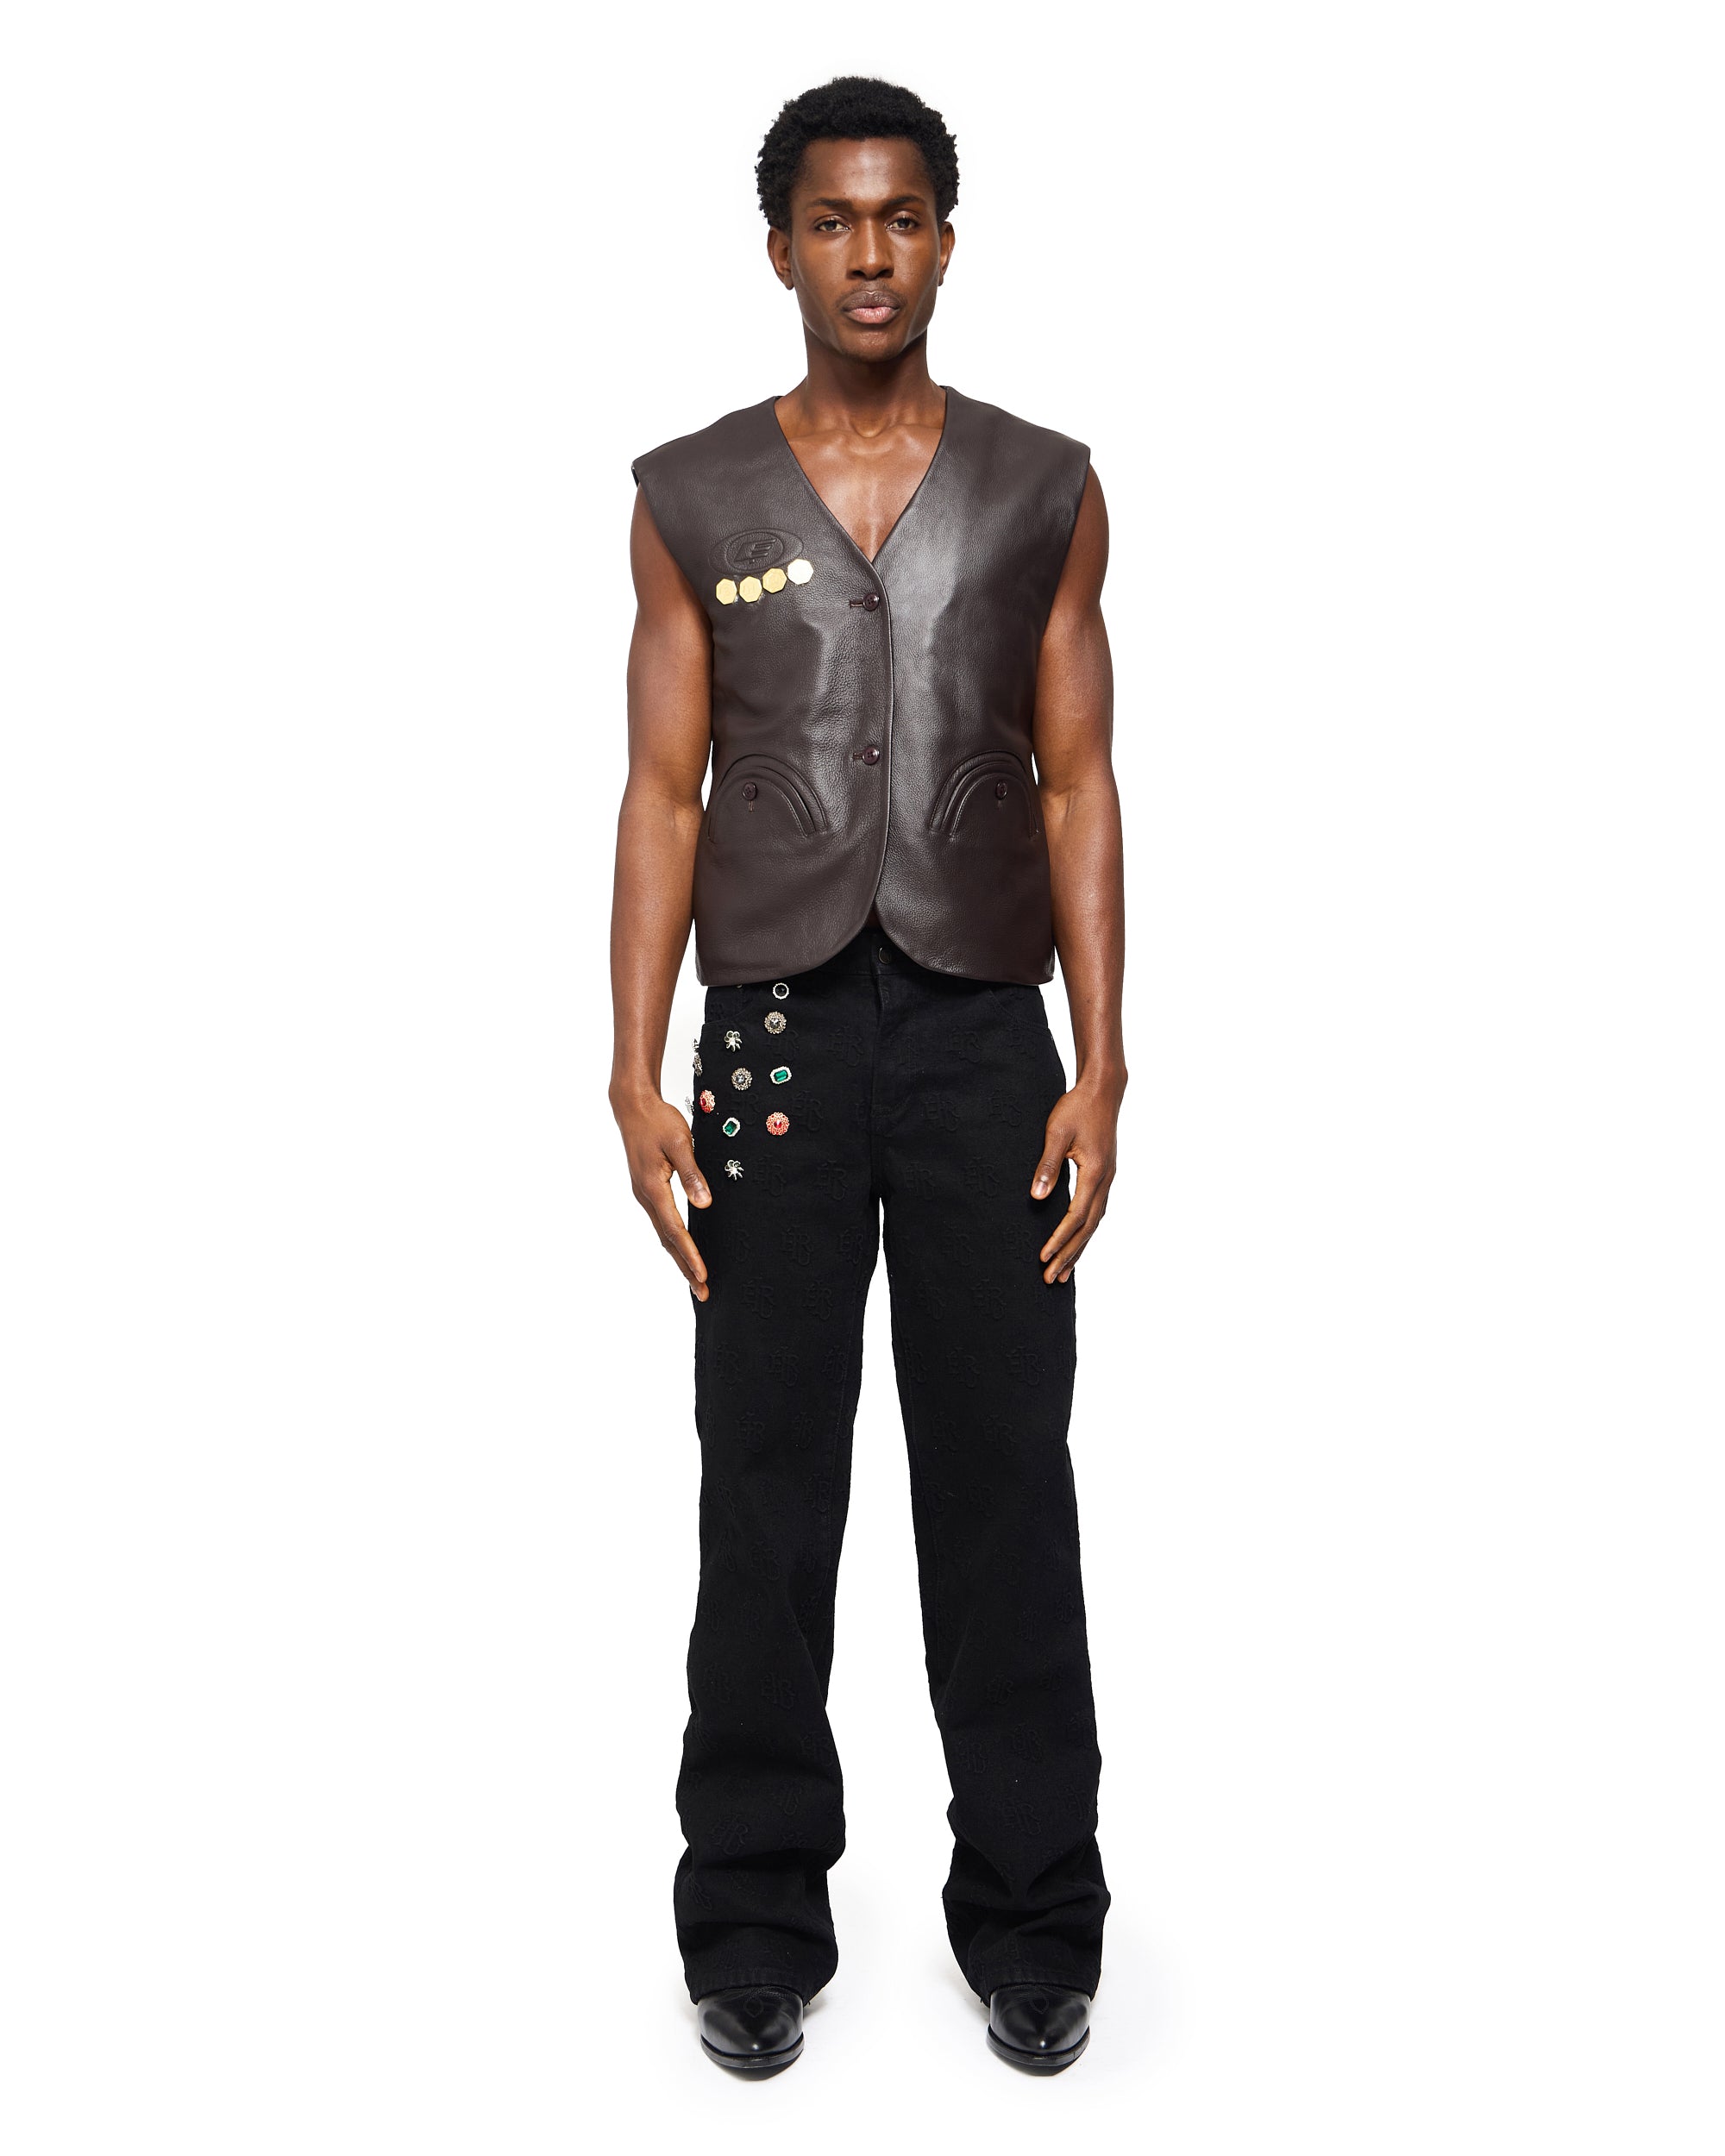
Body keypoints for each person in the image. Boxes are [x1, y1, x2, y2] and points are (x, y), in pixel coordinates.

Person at [609, 76, 1126, 2078]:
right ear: (780, 249)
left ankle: (1035, 1916)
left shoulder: (1044, 486)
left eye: (902, 217)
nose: (869, 254)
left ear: (946, 240)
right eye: (832, 220)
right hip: (770, 1042)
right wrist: (631, 1067)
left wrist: (1105, 1060)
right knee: (764, 1480)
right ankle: (749, 1919)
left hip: (991, 1038)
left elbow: (1077, 783)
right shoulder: (692, 495)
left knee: (1004, 1478)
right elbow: (663, 791)